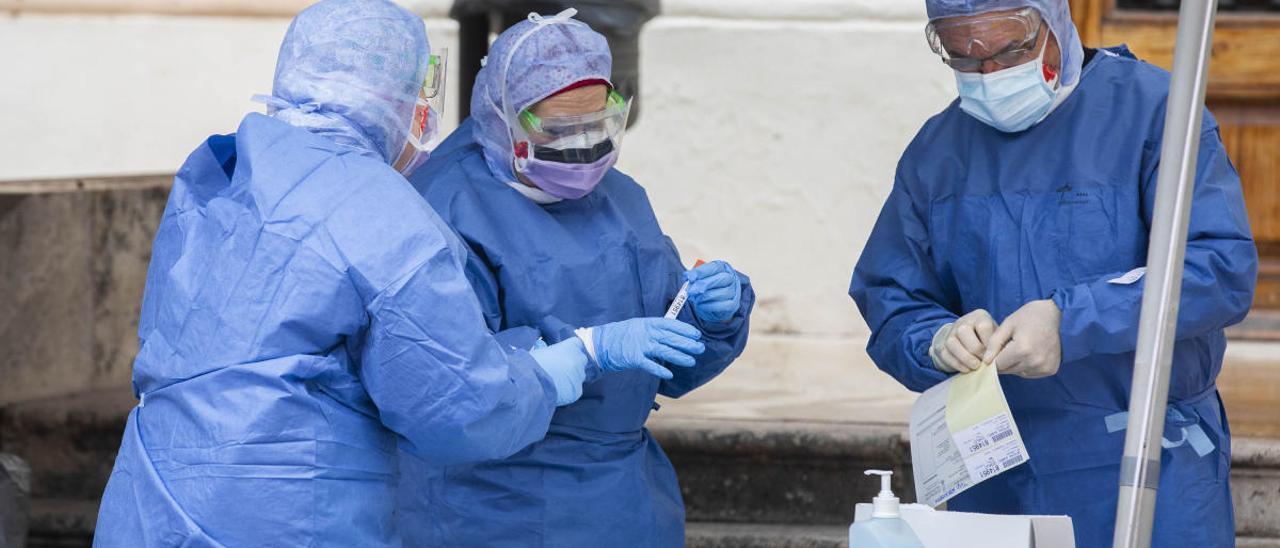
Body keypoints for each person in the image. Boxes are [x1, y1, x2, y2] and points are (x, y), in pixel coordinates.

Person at [88, 1, 675, 545]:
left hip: (153, 496)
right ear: (393, 95)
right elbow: (461, 413)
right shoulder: (385, 213)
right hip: (289, 513)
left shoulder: (223, 169)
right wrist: (568, 361)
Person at [849, 1, 1256, 546]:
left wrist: (1071, 320)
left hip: (1144, 462)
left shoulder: (1156, 113)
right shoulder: (938, 153)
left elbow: (1217, 268)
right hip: (996, 477)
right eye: (965, 57)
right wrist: (937, 339)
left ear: (1057, 19)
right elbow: (892, 296)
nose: (990, 74)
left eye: (1009, 49)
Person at [396, 9, 754, 547]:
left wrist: (709, 318)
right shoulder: (445, 207)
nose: (583, 147)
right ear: (502, 117)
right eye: (561, 129)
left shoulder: (621, 201)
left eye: (597, 124)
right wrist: (586, 352)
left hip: (623, 498)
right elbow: (451, 383)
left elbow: (665, 363)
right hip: (493, 503)